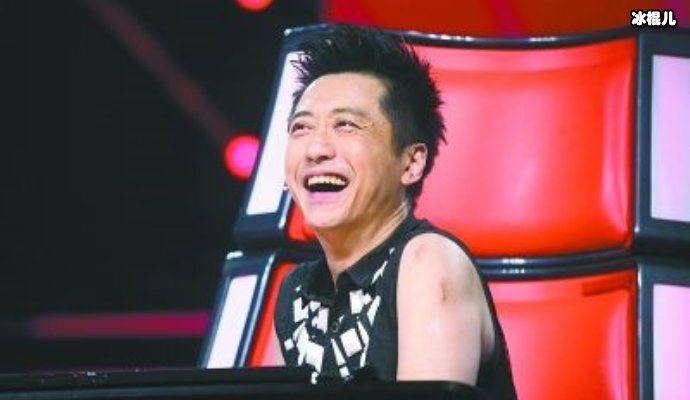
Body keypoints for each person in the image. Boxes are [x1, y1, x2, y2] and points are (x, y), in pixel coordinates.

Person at [273, 24, 517, 399]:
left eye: (345, 124)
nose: (316, 149)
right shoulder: (297, 291)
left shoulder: (428, 260)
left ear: (411, 162)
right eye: (301, 127)